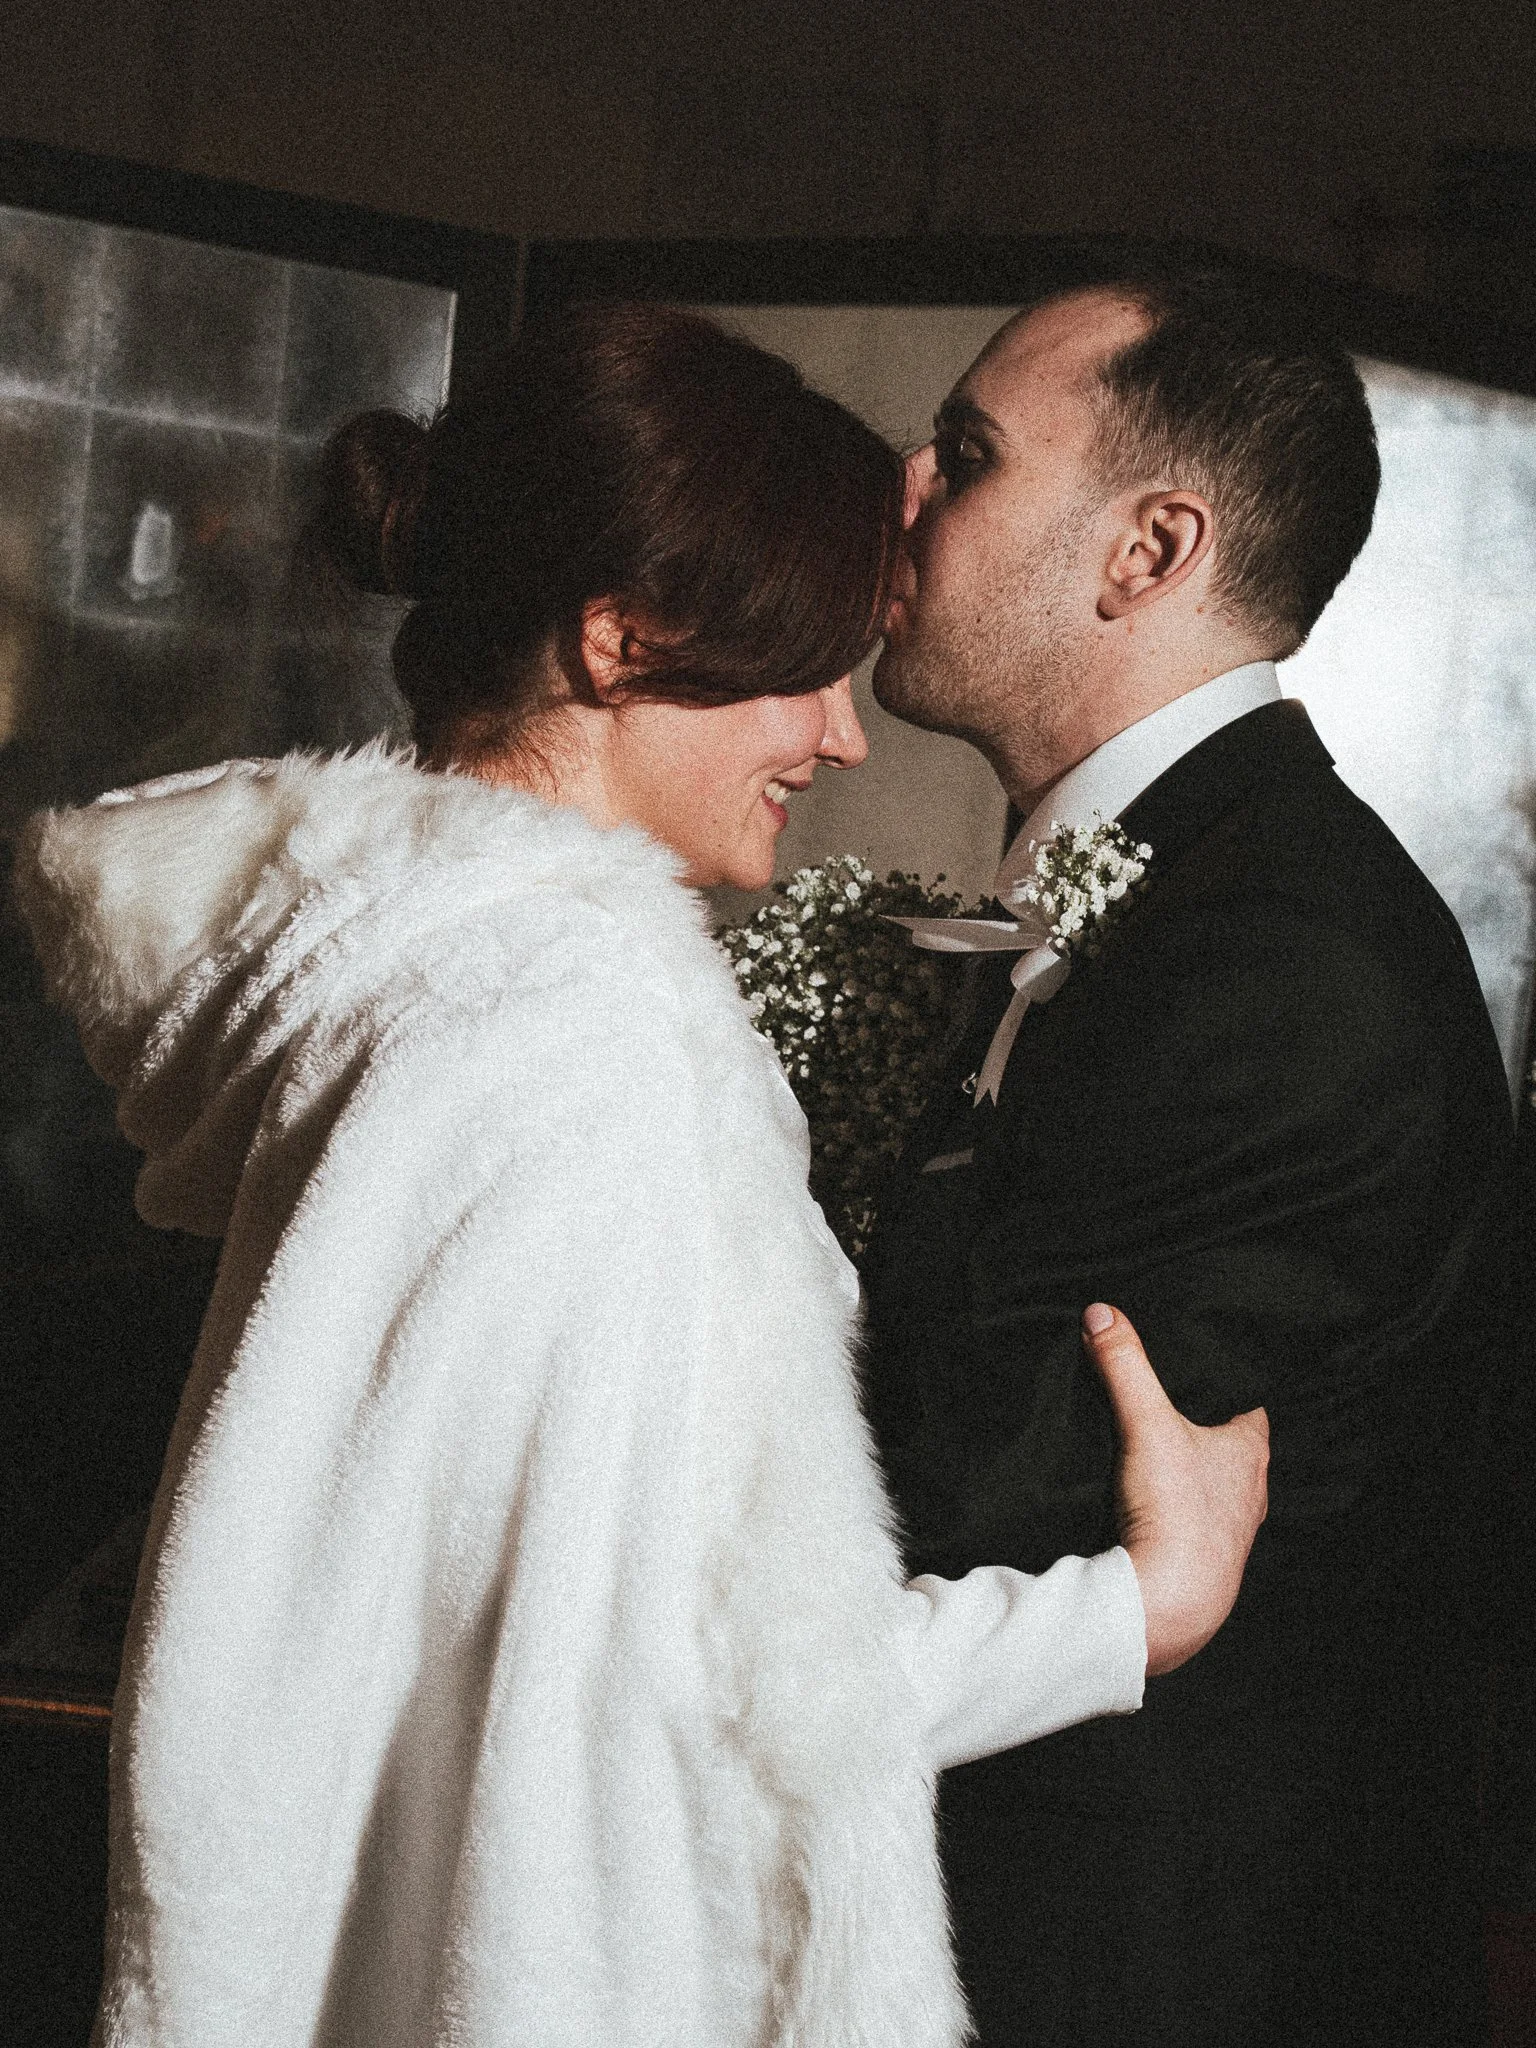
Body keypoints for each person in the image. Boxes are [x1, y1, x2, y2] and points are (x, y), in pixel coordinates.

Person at [14, 303, 1267, 2048]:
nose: (837, 732)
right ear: (619, 643)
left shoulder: (377, 978)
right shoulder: (591, 1034)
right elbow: (703, 1697)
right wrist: (1142, 1607)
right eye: (801, 665)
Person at [864, 267, 1515, 2048]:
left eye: (966, 456)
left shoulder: (1283, 961)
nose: (901, 493)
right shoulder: (1167, 894)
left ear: (1147, 552)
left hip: (1138, 1971)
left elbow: (988, 1494)